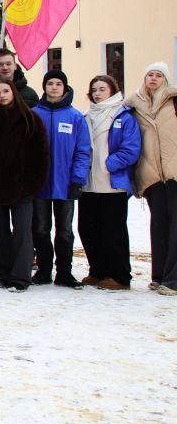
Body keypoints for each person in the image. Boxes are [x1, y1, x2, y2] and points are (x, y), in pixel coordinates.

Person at [0, 79, 49, 292]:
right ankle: (4, 272)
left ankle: (20, 276)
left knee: (22, 232)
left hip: (22, 187)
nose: (2, 95)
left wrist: (32, 184)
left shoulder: (30, 119)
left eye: (5, 91)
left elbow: (41, 154)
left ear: (13, 93)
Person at [31, 69, 91, 288]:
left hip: (65, 184)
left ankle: (64, 272)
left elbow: (83, 151)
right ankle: (44, 270)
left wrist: (78, 180)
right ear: (44, 87)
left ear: (65, 88)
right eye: (50, 84)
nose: (54, 87)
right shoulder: (34, 114)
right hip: (40, 183)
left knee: (64, 231)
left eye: (58, 84)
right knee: (40, 228)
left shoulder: (75, 117)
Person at [80, 75, 141, 291]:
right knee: (88, 229)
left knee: (113, 232)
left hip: (112, 184)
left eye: (102, 89)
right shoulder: (87, 116)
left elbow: (131, 148)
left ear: (112, 91)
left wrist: (109, 164)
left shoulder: (123, 116)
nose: (97, 93)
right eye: (94, 89)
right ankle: (97, 270)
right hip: (89, 184)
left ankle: (119, 275)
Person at [125, 63, 177, 295]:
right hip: (152, 174)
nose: (153, 78)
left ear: (166, 79)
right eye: (150, 74)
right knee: (159, 225)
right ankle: (159, 276)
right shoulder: (134, 104)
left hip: (174, 171)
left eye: (158, 75)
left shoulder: (174, 101)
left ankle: (173, 281)